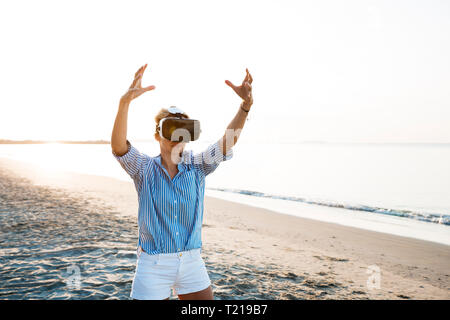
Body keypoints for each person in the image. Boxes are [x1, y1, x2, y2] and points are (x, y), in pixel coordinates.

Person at [111, 64, 253, 300]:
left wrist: (245, 106)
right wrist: (124, 102)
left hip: (191, 262)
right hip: (153, 265)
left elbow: (228, 140)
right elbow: (118, 146)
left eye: (183, 131)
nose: (177, 137)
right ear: (157, 135)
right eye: (171, 129)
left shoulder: (198, 166)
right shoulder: (144, 169)